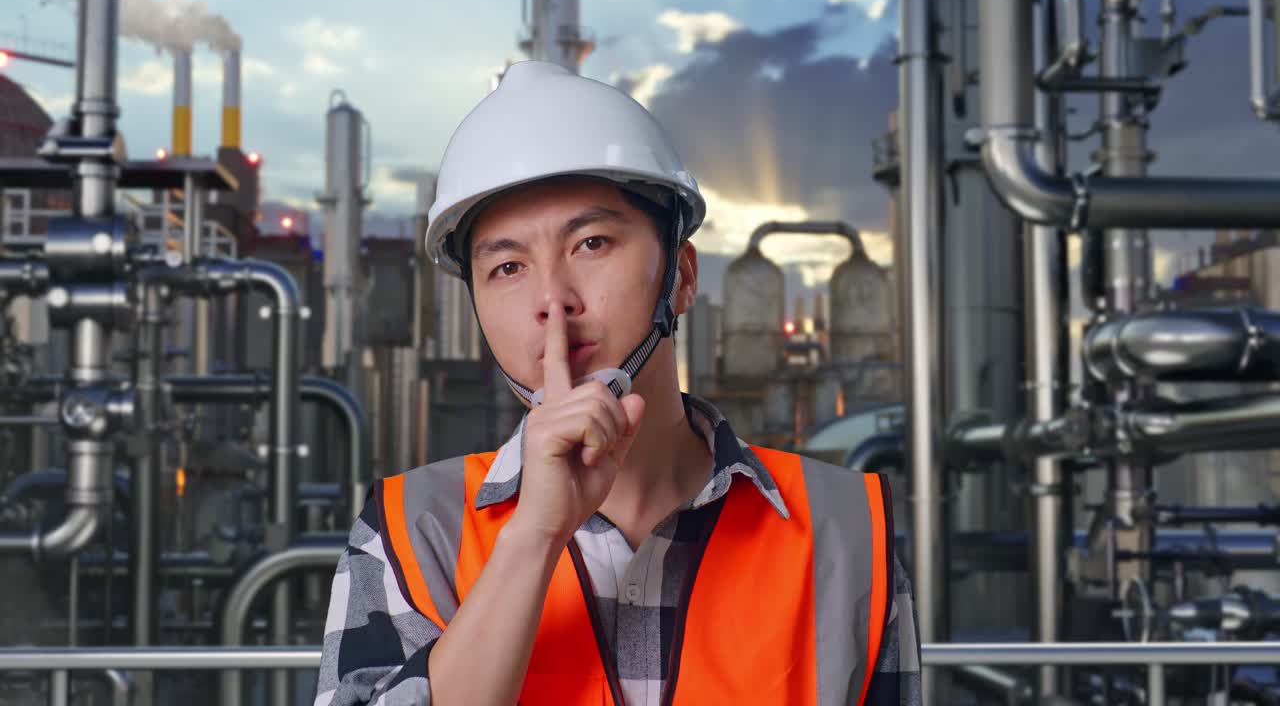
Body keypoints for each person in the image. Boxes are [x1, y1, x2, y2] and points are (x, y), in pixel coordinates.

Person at [315, 60, 921, 706]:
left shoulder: (848, 530)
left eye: (592, 244)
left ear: (682, 276)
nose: (552, 300)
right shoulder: (412, 532)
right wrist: (535, 536)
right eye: (508, 267)